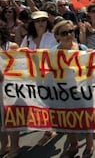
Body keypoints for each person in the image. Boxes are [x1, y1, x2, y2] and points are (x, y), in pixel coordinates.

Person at [51, 20, 95, 158]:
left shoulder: (82, 49)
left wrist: (92, 56)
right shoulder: (52, 53)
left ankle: (89, 144)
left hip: (82, 91)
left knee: (85, 118)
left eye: (71, 31)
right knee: (68, 119)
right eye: (64, 33)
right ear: (57, 36)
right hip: (63, 92)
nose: (69, 35)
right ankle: (73, 144)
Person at [20, 11, 58, 146]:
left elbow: (58, 53)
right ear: (33, 23)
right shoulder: (28, 38)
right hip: (34, 76)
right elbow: (21, 53)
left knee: (52, 102)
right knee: (41, 103)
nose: (41, 23)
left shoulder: (53, 36)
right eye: (37, 21)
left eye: (43, 20)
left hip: (51, 75)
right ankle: (50, 128)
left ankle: (51, 129)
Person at [0, 20, 20, 158]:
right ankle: (4, 145)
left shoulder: (11, 47)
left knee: (11, 118)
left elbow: (20, 68)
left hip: (9, 88)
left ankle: (14, 146)